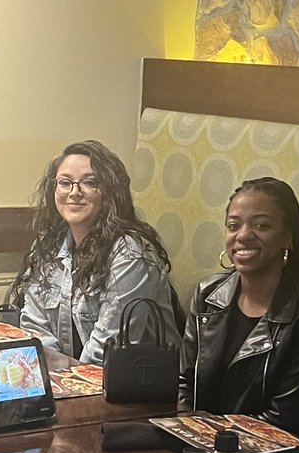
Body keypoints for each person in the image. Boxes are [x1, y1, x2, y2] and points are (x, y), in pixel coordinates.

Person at [180, 177, 299, 437]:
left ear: (288, 237)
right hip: (195, 441)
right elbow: (185, 385)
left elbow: (286, 418)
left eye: (261, 225)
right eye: (233, 225)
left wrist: (213, 437)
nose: (243, 235)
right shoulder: (207, 294)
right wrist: (188, 432)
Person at [10, 140, 179, 365]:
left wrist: (64, 372)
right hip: (72, 378)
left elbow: (107, 351)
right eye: (65, 183)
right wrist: (52, 369)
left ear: (109, 192)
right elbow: (35, 329)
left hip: (133, 380)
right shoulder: (47, 246)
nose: (74, 192)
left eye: (89, 182)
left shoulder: (130, 253)